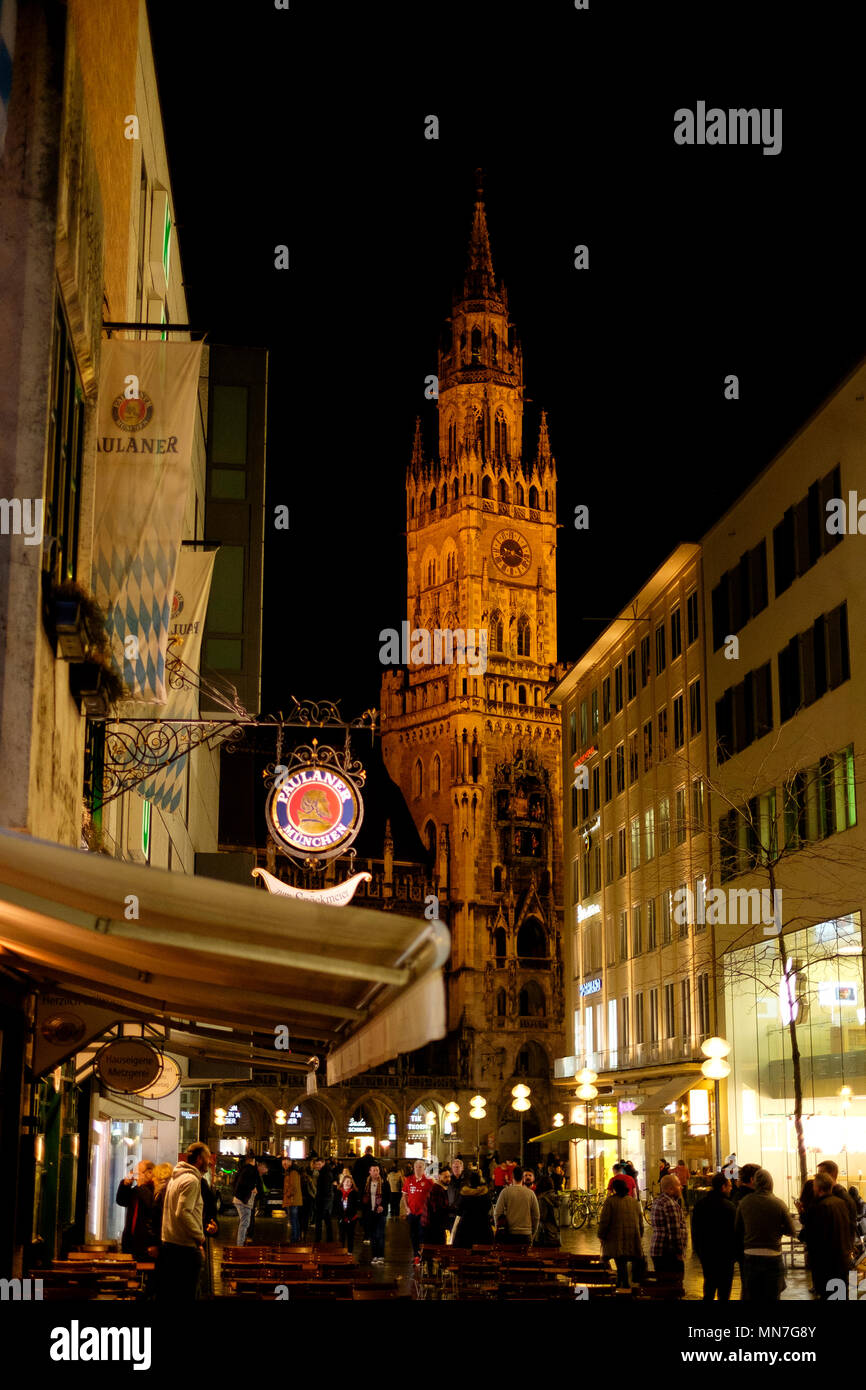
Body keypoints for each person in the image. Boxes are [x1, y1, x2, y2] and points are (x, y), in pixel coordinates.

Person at [156, 1141, 211, 1301]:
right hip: (184, 1249)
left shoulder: (176, 1179)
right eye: (208, 1157)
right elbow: (183, 1212)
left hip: (169, 1246)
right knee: (188, 1293)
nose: (210, 1161)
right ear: (200, 1159)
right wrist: (199, 1236)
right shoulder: (191, 1181)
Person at [734, 1167, 795, 1302]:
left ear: (755, 1182)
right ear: (770, 1183)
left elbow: (737, 1229)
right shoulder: (779, 1204)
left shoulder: (744, 1203)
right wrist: (778, 1230)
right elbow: (791, 1231)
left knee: (752, 1296)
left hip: (750, 1256)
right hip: (773, 1256)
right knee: (772, 1296)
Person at [798, 1172, 853, 1298]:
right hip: (842, 1259)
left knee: (827, 1295)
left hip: (826, 1263)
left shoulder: (818, 1207)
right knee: (841, 1295)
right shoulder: (841, 1203)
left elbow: (812, 1235)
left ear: (818, 1188)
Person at [691, 1172, 737, 1301]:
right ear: (723, 1187)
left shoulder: (700, 1205)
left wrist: (699, 1251)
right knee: (724, 1291)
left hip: (707, 1255)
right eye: (729, 1185)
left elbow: (695, 1231)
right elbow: (735, 1233)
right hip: (725, 1256)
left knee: (709, 1287)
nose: (731, 1188)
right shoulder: (729, 1207)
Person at [598, 1176, 645, 1286]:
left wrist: (601, 1235)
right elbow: (640, 1222)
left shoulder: (610, 1202)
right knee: (622, 1264)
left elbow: (604, 1221)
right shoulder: (634, 1202)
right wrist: (640, 1235)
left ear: (615, 1189)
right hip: (632, 1238)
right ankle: (622, 1285)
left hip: (615, 1240)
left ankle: (623, 1286)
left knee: (620, 1262)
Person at [115, 1160, 156, 1263]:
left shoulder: (155, 1189)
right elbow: (121, 1201)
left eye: (139, 1173)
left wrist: (141, 1186)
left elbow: (149, 1204)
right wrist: (125, 1184)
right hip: (130, 1241)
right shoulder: (137, 1190)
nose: (136, 1176)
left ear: (150, 1173)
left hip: (146, 1243)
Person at [650, 1174, 688, 1275]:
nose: (681, 1187)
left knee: (663, 1284)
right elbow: (675, 1231)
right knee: (673, 1284)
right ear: (671, 1189)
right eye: (678, 1185)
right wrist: (679, 1252)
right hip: (668, 1253)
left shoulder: (658, 1201)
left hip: (658, 1250)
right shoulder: (670, 1204)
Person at [493, 1165, 539, 1244]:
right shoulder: (530, 1193)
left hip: (509, 1233)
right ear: (522, 1178)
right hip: (526, 1234)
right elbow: (536, 1216)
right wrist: (532, 1234)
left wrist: (499, 1229)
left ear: (512, 1177)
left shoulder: (505, 1192)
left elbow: (497, 1213)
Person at [232, 1154, 267, 1247]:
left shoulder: (244, 1170)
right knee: (244, 1223)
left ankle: (241, 1243)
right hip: (244, 1201)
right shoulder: (250, 1170)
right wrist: (253, 1188)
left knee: (245, 1223)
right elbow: (246, 1183)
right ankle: (240, 1245)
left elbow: (236, 1183)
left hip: (241, 1200)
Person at [452, 1171, 494, 1248]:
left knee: (464, 1251)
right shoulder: (485, 1193)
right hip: (483, 1226)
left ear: (469, 1181)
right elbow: (488, 1207)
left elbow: (459, 1210)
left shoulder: (464, 1193)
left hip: (465, 1227)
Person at [403, 1159, 433, 1266]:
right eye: (416, 1166)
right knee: (413, 1235)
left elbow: (432, 1197)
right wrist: (407, 1208)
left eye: (420, 1167)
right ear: (414, 1168)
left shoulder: (429, 1181)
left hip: (423, 1213)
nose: (418, 1168)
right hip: (412, 1213)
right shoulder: (408, 1180)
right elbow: (405, 1195)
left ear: (424, 1168)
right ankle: (415, 1254)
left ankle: (422, 1255)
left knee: (422, 1235)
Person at [364, 1164, 388, 1264]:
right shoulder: (366, 1183)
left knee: (380, 1234)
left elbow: (387, 1197)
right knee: (373, 1235)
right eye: (373, 1170)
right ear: (370, 1172)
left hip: (380, 1212)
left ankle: (381, 1256)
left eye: (377, 1170)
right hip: (370, 1212)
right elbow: (364, 1197)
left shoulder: (384, 1183)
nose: (375, 1172)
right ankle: (374, 1256)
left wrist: (382, 1205)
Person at [423, 1168, 451, 1246]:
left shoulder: (440, 1188)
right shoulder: (436, 1189)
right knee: (437, 1248)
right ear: (439, 1177)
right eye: (445, 1177)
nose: (448, 1179)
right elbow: (438, 1209)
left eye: (449, 1176)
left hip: (435, 1224)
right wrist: (452, 1209)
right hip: (434, 1226)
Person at [534, 1174, 562, 1248]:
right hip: (556, 1233)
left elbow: (542, 1217)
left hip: (545, 1234)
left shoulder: (543, 1199)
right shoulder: (555, 1197)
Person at [336, 1175, 361, 1255]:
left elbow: (355, 1207)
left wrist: (349, 1218)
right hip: (341, 1218)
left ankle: (350, 1252)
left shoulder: (354, 1193)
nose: (348, 1183)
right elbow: (336, 1206)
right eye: (346, 1181)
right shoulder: (338, 1192)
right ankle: (341, 1251)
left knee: (350, 1236)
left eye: (350, 1182)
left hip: (352, 1218)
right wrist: (340, 1217)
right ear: (343, 1182)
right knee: (341, 1236)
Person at [313, 1159, 335, 1243]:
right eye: (316, 1164)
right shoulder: (325, 1172)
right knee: (327, 1220)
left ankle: (318, 1239)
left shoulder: (324, 1173)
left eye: (319, 1164)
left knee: (320, 1220)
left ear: (323, 1163)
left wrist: (320, 1199)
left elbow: (325, 1189)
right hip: (325, 1200)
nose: (317, 1166)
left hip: (323, 1200)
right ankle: (329, 1238)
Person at [282, 1158, 303, 1242]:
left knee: (293, 1219)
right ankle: (296, 1236)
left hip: (292, 1200)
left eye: (285, 1163)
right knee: (294, 1219)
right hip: (293, 1199)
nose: (284, 1166)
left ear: (290, 1163)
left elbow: (293, 1187)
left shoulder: (293, 1172)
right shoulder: (292, 1171)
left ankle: (295, 1238)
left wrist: (287, 1195)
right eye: (283, 1164)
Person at [445, 1158, 464, 1230]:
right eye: (454, 1167)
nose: (455, 1168)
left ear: (462, 1168)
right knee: (452, 1233)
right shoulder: (448, 1180)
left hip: (462, 1213)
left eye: (457, 1167)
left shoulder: (466, 1180)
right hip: (451, 1213)